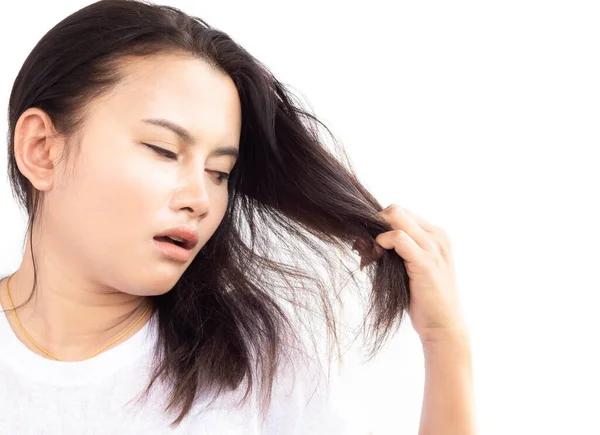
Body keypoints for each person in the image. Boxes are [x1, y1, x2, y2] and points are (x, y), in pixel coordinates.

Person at [0, 0, 477, 433]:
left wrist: (445, 343)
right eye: (164, 151)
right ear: (41, 150)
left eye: (220, 172)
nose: (200, 199)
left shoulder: (251, 366)